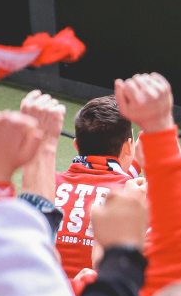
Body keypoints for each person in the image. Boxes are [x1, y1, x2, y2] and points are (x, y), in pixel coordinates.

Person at [53, 94, 134, 277]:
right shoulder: (136, 198)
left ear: (76, 145)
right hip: (96, 293)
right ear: (128, 147)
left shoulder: (46, 184)